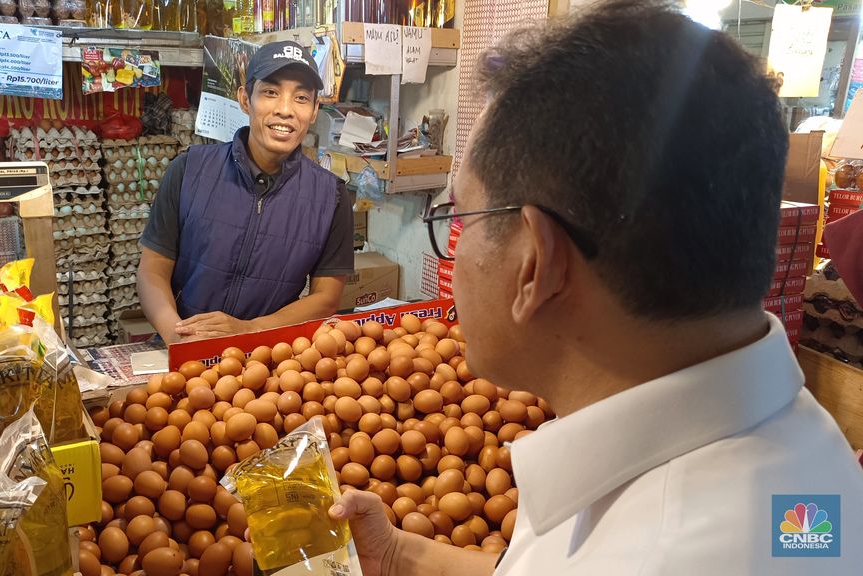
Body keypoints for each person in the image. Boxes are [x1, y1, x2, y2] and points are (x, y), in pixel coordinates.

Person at [325, 1, 863, 575]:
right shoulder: (801, 443)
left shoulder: (661, 550)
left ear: (535, 262)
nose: (453, 259)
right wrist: (400, 553)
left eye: (460, 219)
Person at [139, 41, 354, 344]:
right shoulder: (189, 171)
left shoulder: (330, 197)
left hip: (268, 356)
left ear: (315, 109)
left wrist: (249, 330)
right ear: (244, 99)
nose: (285, 110)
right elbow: (152, 272)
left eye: (302, 97)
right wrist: (178, 335)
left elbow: (326, 298)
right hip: (181, 345)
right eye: (270, 92)